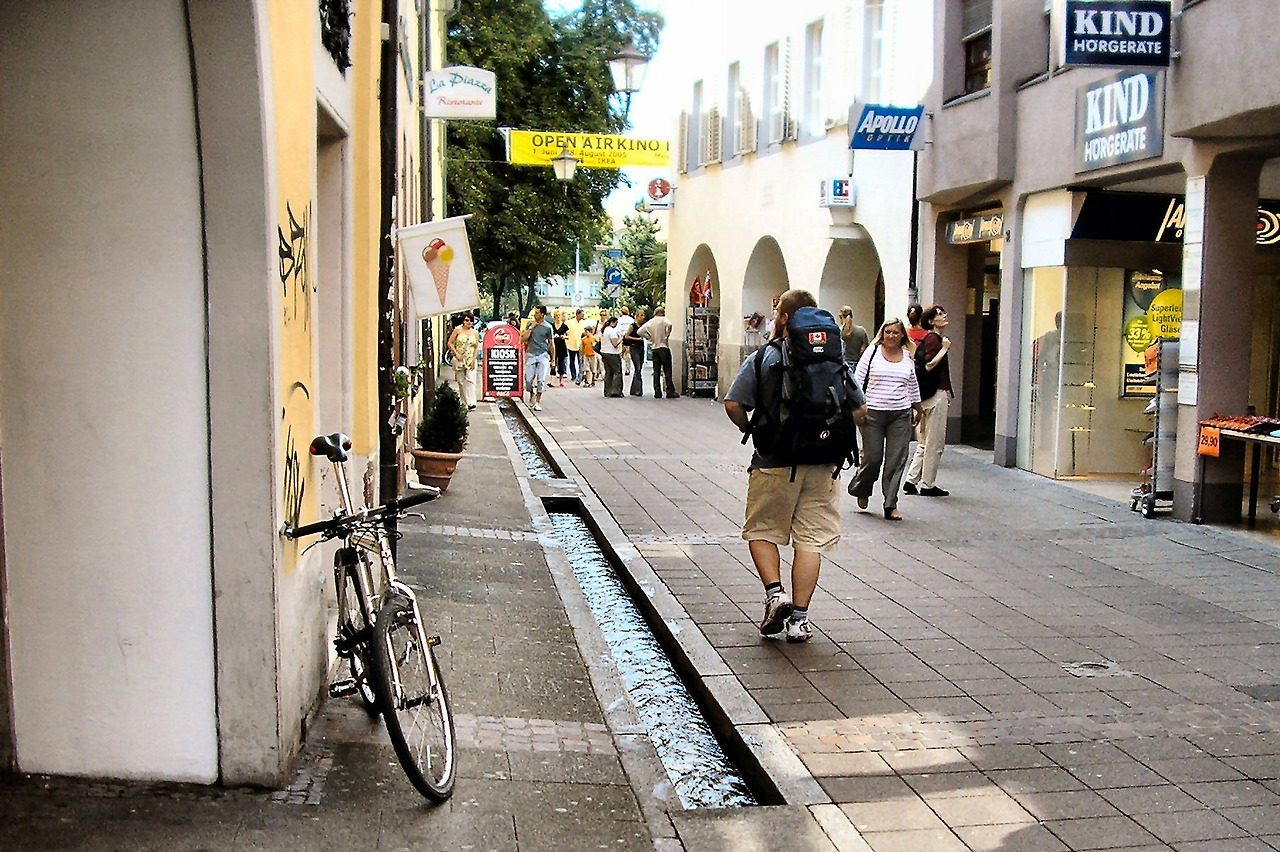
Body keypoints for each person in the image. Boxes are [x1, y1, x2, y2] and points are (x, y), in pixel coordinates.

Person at [724, 289, 865, 644]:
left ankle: (775, 594)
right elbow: (860, 411)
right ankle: (799, 621)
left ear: (785, 318)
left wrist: (752, 428)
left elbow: (733, 403)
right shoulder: (836, 359)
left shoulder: (765, 357)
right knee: (811, 541)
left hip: (774, 459)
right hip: (824, 462)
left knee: (761, 531)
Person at [847, 317, 923, 521]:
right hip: (872, 414)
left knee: (896, 460)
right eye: (888, 332)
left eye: (895, 333)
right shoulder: (872, 353)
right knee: (873, 459)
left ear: (901, 336)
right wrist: (857, 409)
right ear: (882, 334)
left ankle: (890, 504)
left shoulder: (907, 356)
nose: (891, 336)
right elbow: (856, 383)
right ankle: (862, 487)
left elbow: (912, 384)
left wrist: (918, 408)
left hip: (900, 414)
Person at [905, 305, 953, 497]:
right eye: (940, 314)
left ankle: (911, 479)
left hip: (927, 396)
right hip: (934, 396)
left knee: (924, 441)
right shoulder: (935, 339)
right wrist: (944, 349)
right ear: (932, 321)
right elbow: (929, 365)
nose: (945, 316)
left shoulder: (929, 338)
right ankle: (927, 484)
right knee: (935, 442)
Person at [638, 306, 678, 398]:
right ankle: (670, 391)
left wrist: (649, 337)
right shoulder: (663, 319)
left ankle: (657, 391)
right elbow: (670, 324)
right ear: (661, 313)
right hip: (663, 347)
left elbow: (640, 331)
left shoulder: (650, 322)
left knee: (656, 371)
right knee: (667, 370)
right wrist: (667, 335)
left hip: (654, 348)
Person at [521, 304, 553, 411]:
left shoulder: (548, 327)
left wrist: (553, 359)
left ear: (542, 314)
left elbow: (551, 343)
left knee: (541, 379)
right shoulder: (530, 324)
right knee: (529, 380)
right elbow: (523, 338)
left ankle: (538, 402)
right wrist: (531, 328)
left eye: (537, 313)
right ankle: (531, 393)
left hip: (543, 354)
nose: (535, 315)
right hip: (531, 354)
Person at [447, 314, 480, 410]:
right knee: (461, 381)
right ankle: (464, 402)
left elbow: (476, 346)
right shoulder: (457, 330)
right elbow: (449, 343)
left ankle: (471, 403)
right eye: (466, 320)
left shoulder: (475, 333)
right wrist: (456, 353)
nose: (469, 322)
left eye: (471, 320)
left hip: (471, 359)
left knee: (471, 380)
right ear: (463, 321)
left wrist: (474, 359)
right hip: (459, 359)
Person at [599, 315, 625, 398]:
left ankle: (607, 391)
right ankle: (616, 391)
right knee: (617, 372)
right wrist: (621, 339)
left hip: (604, 352)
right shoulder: (612, 331)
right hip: (612, 353)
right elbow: (615, 344)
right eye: (616, 323)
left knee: (608, 372)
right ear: (613, 323)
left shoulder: (604, 330)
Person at [623, 308, 647, 396]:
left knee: (639, 368)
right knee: (638, 368)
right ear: (637, 316)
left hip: (641, 348)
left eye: (643, 315)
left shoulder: (643, 326)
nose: (643, 317)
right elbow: (627, 336)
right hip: (634, 348)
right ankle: (639, 389)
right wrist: (637, 339)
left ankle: (633, 389)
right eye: (641, 315)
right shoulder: (633, 326)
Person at [566, 308, 586, 385]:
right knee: (571, 361)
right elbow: (565, 331)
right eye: (582, 314)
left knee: (580, 361)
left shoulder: (583, 323)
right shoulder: (570, 322)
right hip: (571, 343)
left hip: (580, 345)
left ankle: (580, 375)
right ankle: (573, 375)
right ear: (578, 314)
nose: (583, 316)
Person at [551, 310, 569, 388]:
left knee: (561, 363)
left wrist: (564, 337)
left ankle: (561, 380)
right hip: (554, 345)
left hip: (561, 345)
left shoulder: (564, 326)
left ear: (561, 316)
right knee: (553, 362)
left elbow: (568, 336)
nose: (558, 317)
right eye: (556, 315)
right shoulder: (552, 325)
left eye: (559, 315)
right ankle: (552, 380)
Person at [616, 308, 635, 376]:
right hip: (629, 338)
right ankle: (627, 369)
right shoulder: (631, 319)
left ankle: (619, 369)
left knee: (619, 354)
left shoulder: (619, 319)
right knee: (628, 354)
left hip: (621, 338)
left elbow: (618, 329)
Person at [581, 323, 601, 387]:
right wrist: (581, 354)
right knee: (587, 369)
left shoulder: (594, 338)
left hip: (593, 355)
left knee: (593, 369)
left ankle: (592, 380)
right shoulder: (584, 339)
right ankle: (588, 381)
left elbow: (598, 344)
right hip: (586, 355)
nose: (585, 333)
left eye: (587, 331)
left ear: (590, 332)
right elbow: (582, 347)